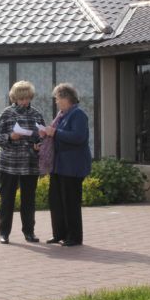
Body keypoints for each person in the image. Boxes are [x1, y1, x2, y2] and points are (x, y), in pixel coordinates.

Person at [0, 81, 46, 244]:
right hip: (8, 164)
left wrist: (39, 144)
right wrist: (10, 137)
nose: (24, 102)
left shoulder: (36, 114)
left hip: (30, 163)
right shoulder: (7, 113)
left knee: (28, 200)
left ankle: (29, 232)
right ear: (14, 98)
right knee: (7, 199)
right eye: (21, 99)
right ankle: (4, 233)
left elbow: (43, 136)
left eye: (27, 98)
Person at [42, 83, 92, 247]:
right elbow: (56, 137)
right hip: (58, 166)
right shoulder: (61, 115)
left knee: (70, 202)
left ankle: (74, 237)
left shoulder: (78, 114)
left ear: (66, 98)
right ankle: (59, 234)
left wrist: (55, 132)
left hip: (72, 166)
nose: (56, 102)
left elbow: (78, 137)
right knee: (56, 201)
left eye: (57, 98)